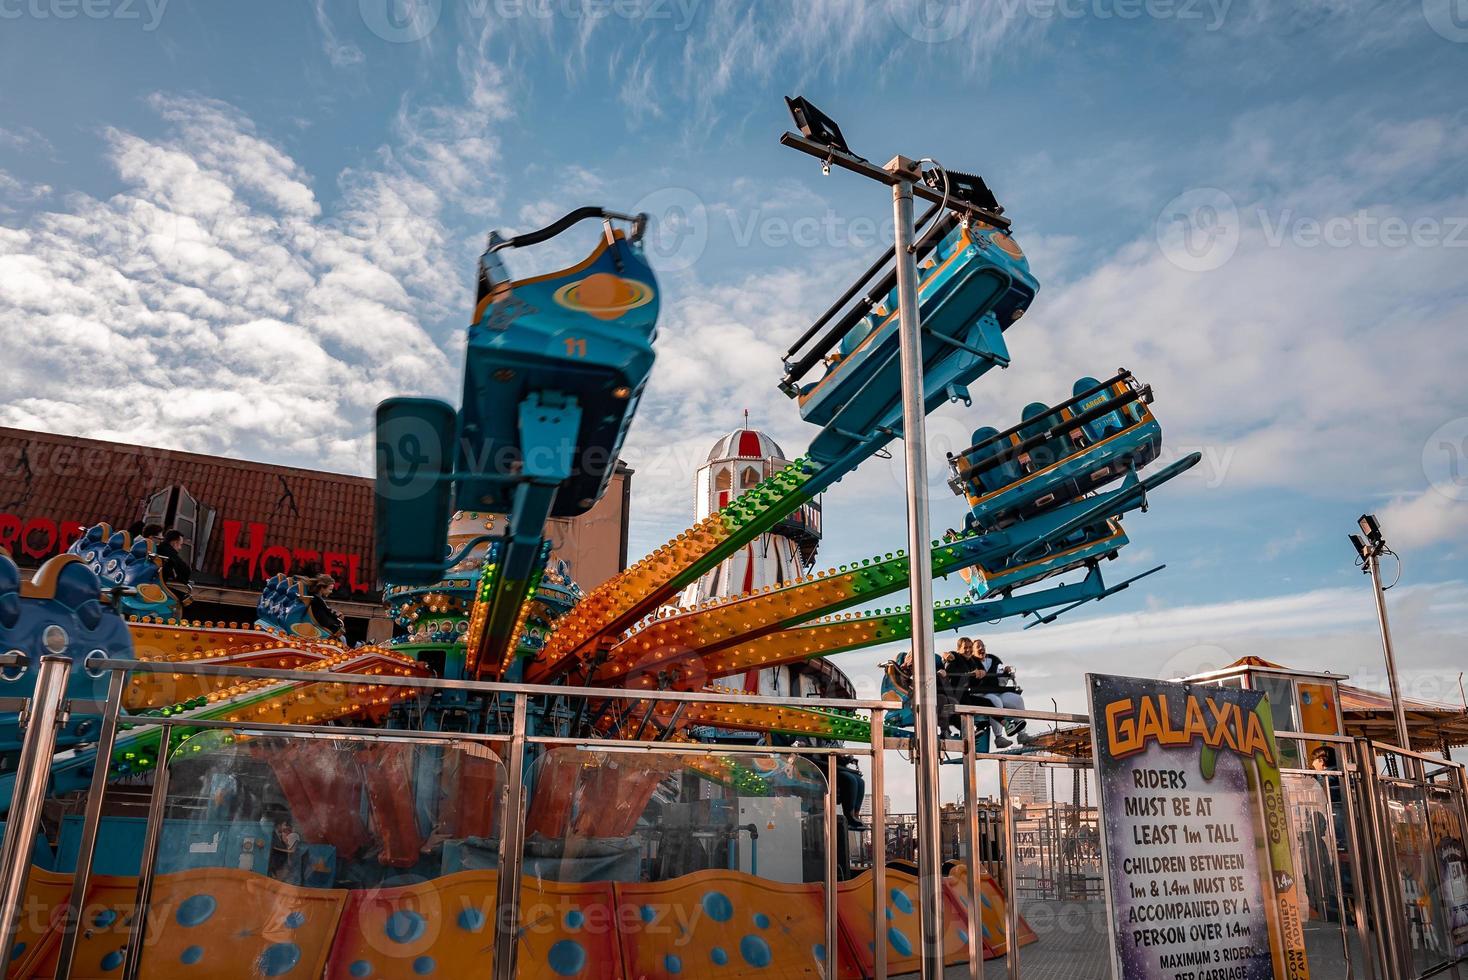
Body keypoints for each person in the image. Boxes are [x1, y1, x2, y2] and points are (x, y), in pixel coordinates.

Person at [965, 638, 1029, 748]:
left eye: (983, 646)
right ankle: (999, 737)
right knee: (995, 702)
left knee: (1017, 700)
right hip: (981, 694)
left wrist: (1006, 671)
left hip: (997, 690)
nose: (981, 648)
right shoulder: (971, 661)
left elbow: (1001, 672)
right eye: (978, 647)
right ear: (973, 650)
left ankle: (1022, 734)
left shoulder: (993, 659)